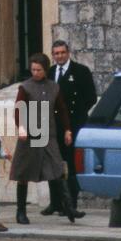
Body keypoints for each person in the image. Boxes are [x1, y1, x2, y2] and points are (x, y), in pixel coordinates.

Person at [10, 53, 86, 225]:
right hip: (29, 135)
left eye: (39, 70)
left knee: (58, 170)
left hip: (48, 134)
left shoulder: (54, 87)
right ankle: (20, 212)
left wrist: (67, 129)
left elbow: (62, 109)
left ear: (45, 70)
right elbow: (19, 109)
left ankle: (68, 208)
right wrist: (21, 127)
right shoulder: (25, 87)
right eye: (33, 69)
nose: (35, 72)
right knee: (24, 173)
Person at [41, 40, 97, 216]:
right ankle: (55, 203)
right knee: (53, 165)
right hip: (53, 127)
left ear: (68, 53)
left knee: (71, 165)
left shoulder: (81, 71)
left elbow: (91, 98)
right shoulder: (49, 73)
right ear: (53, 55)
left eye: (62, 53)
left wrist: (74, 120)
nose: (59, 56)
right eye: (56, 53)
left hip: (74, 126)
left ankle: (69, 205)